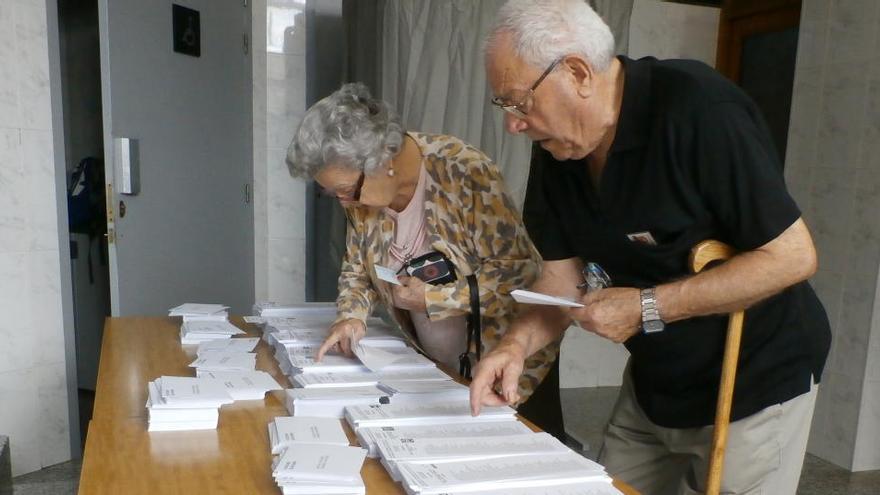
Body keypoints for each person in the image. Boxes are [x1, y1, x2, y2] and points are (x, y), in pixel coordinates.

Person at [469, 1, 831, 494]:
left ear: (577, 73)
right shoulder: (559, 150)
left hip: (753, 376)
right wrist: (514, 347)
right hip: (657, 381)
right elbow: (560, 279)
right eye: (505, 108)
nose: (513, 124)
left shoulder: (699, 110)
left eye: (518, 102)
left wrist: (645, 307)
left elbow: (792, 257)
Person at [286, 82, 565, 438]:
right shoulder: (362, 197)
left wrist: (436, 299)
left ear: (383, 162)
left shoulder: (462, 170)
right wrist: (350, 318)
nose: (345, 203)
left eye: (347, 190)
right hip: (438, 368)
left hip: (508, 363)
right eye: (333, 193)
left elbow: (517, 271)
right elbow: (357, 269)